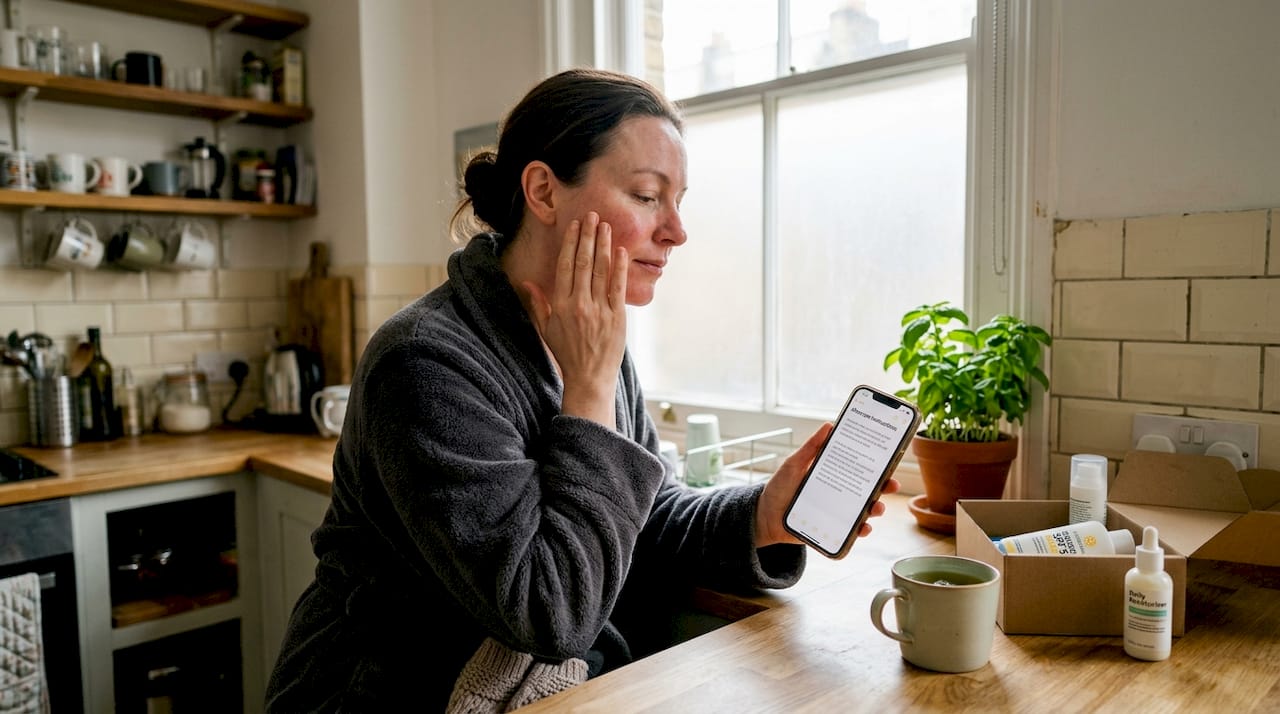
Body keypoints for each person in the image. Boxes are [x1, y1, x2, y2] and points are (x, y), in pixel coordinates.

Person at [264, 67, 898, 712]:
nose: (677, 230)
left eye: (680, 200)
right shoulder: (425, 361)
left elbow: (638, 518)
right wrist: (590, 391)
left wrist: (766, 515)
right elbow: (548, 615)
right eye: (648, 196)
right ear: (543, 190)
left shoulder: (589, 333)